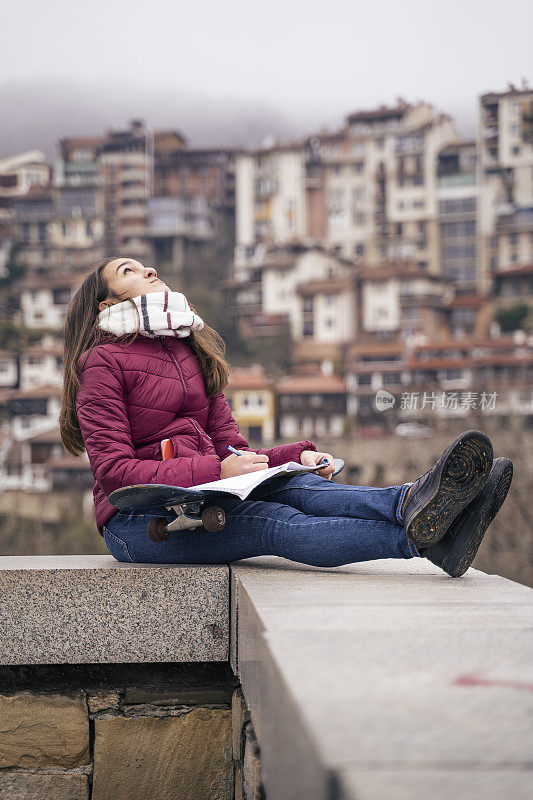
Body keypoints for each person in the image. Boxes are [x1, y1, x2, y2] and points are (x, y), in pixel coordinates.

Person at [59, 257, 513, 578]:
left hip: (207, 490)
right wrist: (218, 469)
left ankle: (414, 501)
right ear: (106, 306)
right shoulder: (103, 363)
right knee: (273, 524)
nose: (149, 270)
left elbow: (232, 450)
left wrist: (291, 458)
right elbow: (115, 475)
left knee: (300, 484)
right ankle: (426, 539)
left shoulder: (187, 351)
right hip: (139, 522)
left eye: (143, 264)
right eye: (129, 271)